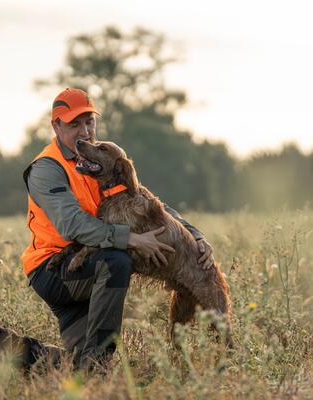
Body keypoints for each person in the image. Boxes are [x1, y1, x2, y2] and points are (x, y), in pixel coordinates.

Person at [20, 87, 215, 371]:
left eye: (89, 122)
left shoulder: (101, 162)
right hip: (55, 270)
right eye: (74, 124)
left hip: (87, 265)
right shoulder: (46, 169)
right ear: (56, 125)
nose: (85, 131)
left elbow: (149, 204)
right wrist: (131, 239)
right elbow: (73, 225)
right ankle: (99, 357)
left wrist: (196, 235)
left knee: (80, 368)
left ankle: (0, 344)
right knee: (117, 260)